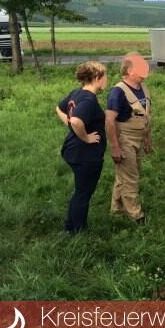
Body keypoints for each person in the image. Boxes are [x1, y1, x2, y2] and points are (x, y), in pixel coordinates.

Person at [55, 61, 108, 234]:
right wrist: (85, 137)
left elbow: (59, 108)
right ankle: (76, 230)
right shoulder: (88, 99)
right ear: (97, 78)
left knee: (81, 191)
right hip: (84, 154)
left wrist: (71, 126)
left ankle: (71, 225)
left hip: (73, 150)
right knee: (83, 193)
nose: (107, 79)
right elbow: (77, 121)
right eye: (105, 76)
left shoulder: (77, 93)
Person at [106, 53, 151, 225]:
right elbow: (110, 121)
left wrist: (147, 139)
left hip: (140, 137)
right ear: (130, 71)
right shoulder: (117, 92)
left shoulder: (143, 88)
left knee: (124, 175)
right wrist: (115, 147)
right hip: (125, 139)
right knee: (131, 177)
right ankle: (136, 215)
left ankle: (116, 210)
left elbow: (146, 116)